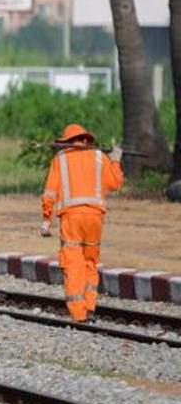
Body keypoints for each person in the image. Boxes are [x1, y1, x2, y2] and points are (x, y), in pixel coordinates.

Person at [39, 123, 123, 323]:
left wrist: (46, 219)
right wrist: (116, 160)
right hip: (95, 218)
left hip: (72, 219)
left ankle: (79, 313)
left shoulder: (60, 160)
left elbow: (50, 192)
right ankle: (90, 306)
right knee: (90, 262)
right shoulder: (98, 157)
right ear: (86, 140)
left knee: (72, 263)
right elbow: (115, 184)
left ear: (67, 142)